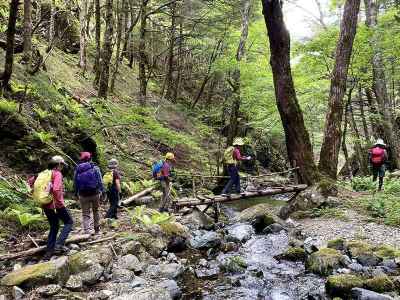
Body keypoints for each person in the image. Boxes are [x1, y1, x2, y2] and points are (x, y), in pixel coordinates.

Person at [42, 156, 73, 260]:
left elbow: (31, 182)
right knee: (69, 222)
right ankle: (59, 245)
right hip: (56, 205)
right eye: (62, 165)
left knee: (54, 226)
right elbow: (55, 189)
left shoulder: (44, 173)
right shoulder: (57, 173)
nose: (63, 167)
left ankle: (48, 253)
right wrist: (60, 203)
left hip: (45, 204)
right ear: (58, 164)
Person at [74, 152, 104, 235]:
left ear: (81, 159)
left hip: (83, 195)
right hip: (95, 193)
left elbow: (75, 183)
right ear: (90, 158)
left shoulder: (78, 169)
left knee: (85, 213)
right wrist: (102, 191)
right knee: (96, 211)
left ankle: (87, 231)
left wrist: (76, 193)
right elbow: (100, 181)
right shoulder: (95, 168)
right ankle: (97, 230)